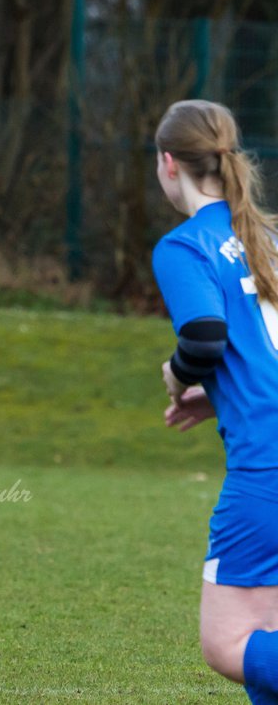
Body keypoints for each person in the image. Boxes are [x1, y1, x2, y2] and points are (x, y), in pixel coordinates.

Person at [152, 99, 278, 704]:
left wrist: (179, 378)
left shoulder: (186, 247)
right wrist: (222, 393)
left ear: (168, 163)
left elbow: (204, 336)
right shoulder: (269, 235)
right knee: (269, 635)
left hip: (269, 467)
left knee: (230, 644)